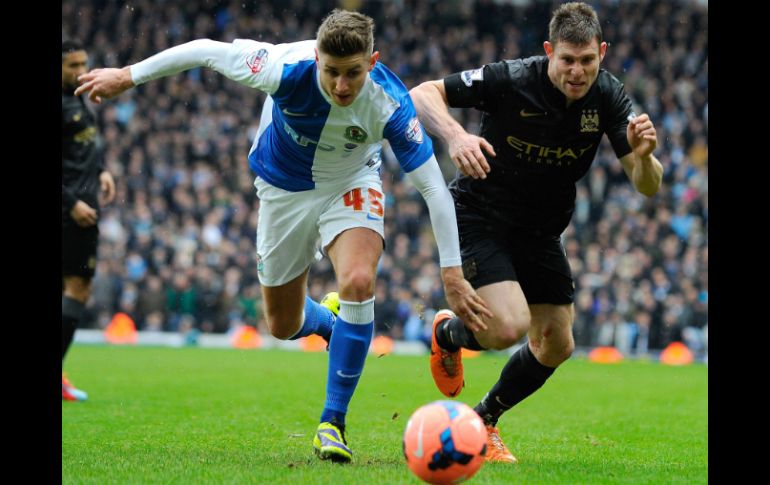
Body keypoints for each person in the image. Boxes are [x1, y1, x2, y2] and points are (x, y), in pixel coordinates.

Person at [75, 9, 491, 463]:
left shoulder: (390, 103)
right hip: (283, 191)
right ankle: (330, 325)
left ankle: (332, 424)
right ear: (316, 58)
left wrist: (451, 271)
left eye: (353, 73)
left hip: (352, 183)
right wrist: (126, 76)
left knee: (357, 282)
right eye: (331, 72)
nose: (342, 86)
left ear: (373, 61)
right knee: (284, 325)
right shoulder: (282, 66)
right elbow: (204, 51)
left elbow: (433, 185)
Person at [410, 1, 662, 463]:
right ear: (549, 51)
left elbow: (647, 187)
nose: (577, 72)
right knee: (508, 326)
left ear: (602, 53)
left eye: (587, 60)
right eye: (567, 59)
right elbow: (423, 93)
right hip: (481, 215)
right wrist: (455, 136)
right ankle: (448, 335)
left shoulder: (608, 97)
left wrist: (644, 157)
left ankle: (483, 420)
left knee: (558, 343)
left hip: (540, 231)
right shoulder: (511, 79)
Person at [62, 39, 117, 402]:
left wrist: (102, 171)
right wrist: (70, 203)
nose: (80, 71)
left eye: (83, 62)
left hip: (83, 208)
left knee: (77, 289)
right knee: (75, 288)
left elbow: (82, 151)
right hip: (70, 212)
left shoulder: (80, 99)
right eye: (72, 65)